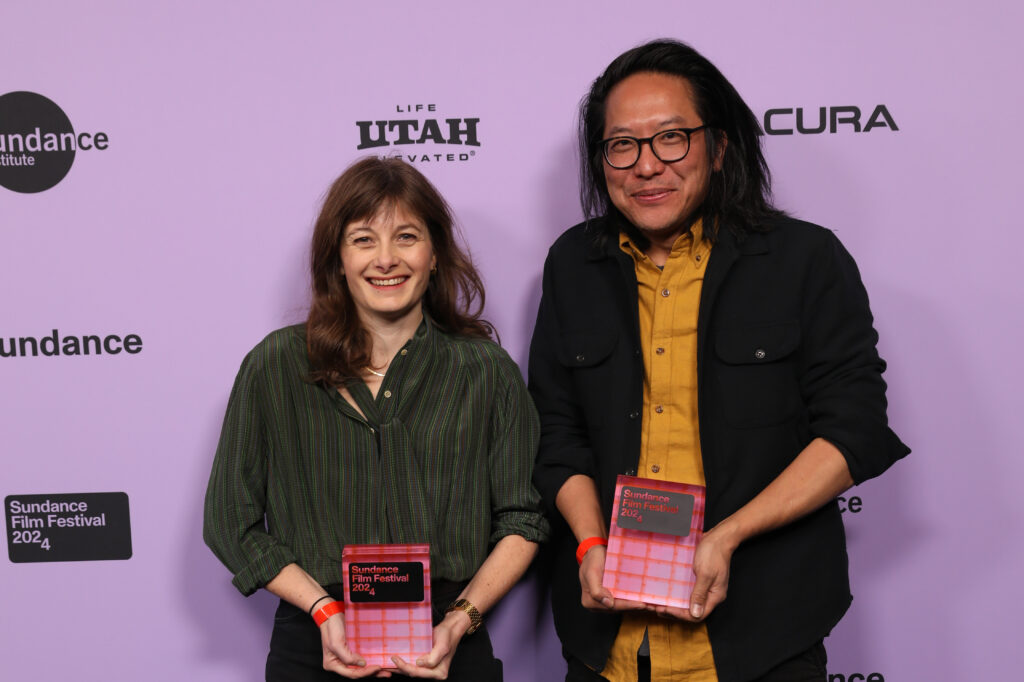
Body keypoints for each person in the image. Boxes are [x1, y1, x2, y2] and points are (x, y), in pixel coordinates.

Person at [529, 39, 909, 682]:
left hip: (760, 634)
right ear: (601, 160)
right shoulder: (573, 265)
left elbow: (854, 431)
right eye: (622, 144)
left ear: (720, 145)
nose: (647, 165)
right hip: (609, 643)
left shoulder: (805, 260)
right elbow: (556, 430)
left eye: (671, 137)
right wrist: (591, 543)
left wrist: (726, 537)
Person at [204, 157, 548, 681]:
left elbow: (522, 520)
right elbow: (231, 520)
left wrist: (458, 624)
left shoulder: (485, 371)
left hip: (449, 640)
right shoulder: (275, 366)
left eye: (406, 237)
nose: (386, 260)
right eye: (364, 239)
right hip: (317, 639)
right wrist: (323, 610)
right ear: (337, 259)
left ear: (435, 254)